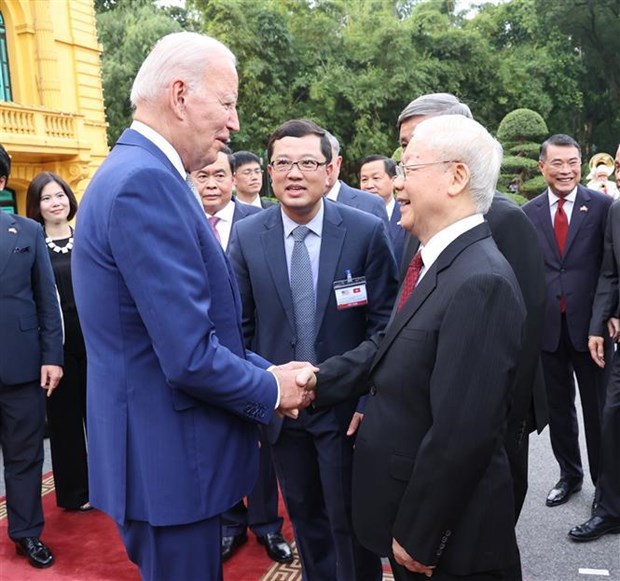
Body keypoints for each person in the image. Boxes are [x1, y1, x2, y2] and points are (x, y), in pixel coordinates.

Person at [71, 32, 315, 581]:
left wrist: (265, 370)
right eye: (227, 103)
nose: (233, 123)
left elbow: (185, 332)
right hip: (171, 466)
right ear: (180, 95)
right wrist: (273, 388)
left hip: (164, 457)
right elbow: (188, 354)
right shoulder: (144, 184)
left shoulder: (141, 173)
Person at [313, 115, 526, 580]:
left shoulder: (480, 280)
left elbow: (462, 433)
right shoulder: (435, 259)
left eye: (408, 168)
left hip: (446, 546)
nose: (397, 183)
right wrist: (314, 381)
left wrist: (422, 533)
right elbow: (395, 350)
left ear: (456, 177)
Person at [228, 119, 398, 581]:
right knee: (307, 522)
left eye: (308, 162)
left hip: (347, 411)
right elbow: (238, 329)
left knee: (351, 524)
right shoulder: (247, 236)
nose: (294, 173)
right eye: (282, 163)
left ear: (331, 169)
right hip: (284, 413)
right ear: (268, 171)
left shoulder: (364, 231)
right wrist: (267, 389)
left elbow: (385, 326)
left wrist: (364, 397)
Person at [397, 93, 547, 521]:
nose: (405, 158)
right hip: (431, 411)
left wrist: (503, 427)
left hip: (491, 417)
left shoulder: (503, 218)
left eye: (417, 144)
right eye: (405, 144)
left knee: (482, 527)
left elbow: (525, 333)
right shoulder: (416, 220)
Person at [192, 149, 292, 563]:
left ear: (233, 179)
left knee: (263, 446)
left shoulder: (260, 224)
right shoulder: (184, 222)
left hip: (257, 353)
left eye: (219, 175)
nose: (211, 184)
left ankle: (267, 525)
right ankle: (230, 523)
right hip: (205, 354)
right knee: (222, 441)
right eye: (203, 176)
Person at [523, 134, 613, 508]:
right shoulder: (527, 214)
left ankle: (605, 486)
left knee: (598, 412)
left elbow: (613, 268)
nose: (566, 170)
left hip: (591, 328)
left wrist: (608, 317)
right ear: (542, 166)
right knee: (558, 410)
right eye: (557, 163)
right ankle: (569, 475)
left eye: (573, 162)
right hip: (547, 330)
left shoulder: (604, 207)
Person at [0, 144, 63, 569]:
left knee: (25, 456)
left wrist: (52, 355)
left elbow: (46, 299)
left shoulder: (27, 231)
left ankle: (26, 533)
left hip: (21, 366)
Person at [25, 172, 90, 513]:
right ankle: (75, 492)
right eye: (47, 198)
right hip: (57, 348)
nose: (56, 203)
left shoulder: (87, 238)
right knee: (65, 423)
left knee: (99, 419)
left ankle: (110, 485)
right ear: (36, 205)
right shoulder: (32, 245)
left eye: (60, 195)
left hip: (95, 342)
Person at [569, 144, 620, 542]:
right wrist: (600, 323)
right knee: (610, 420)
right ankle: (609, 508)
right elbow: (610, 274)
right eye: (617, 165)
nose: (617, 173)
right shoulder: (617, 211)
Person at [324, 131, 389, 226]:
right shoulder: (297, 205)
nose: (320, 166)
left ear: (338, 163)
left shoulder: (371, 205)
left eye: (326, 160)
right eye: (309, 162)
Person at [359, 154, 406, 268]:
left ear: (393, 180)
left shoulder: (407, 214)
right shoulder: (355, 218)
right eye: (364, 180)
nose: (369, 185)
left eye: (376, 178)